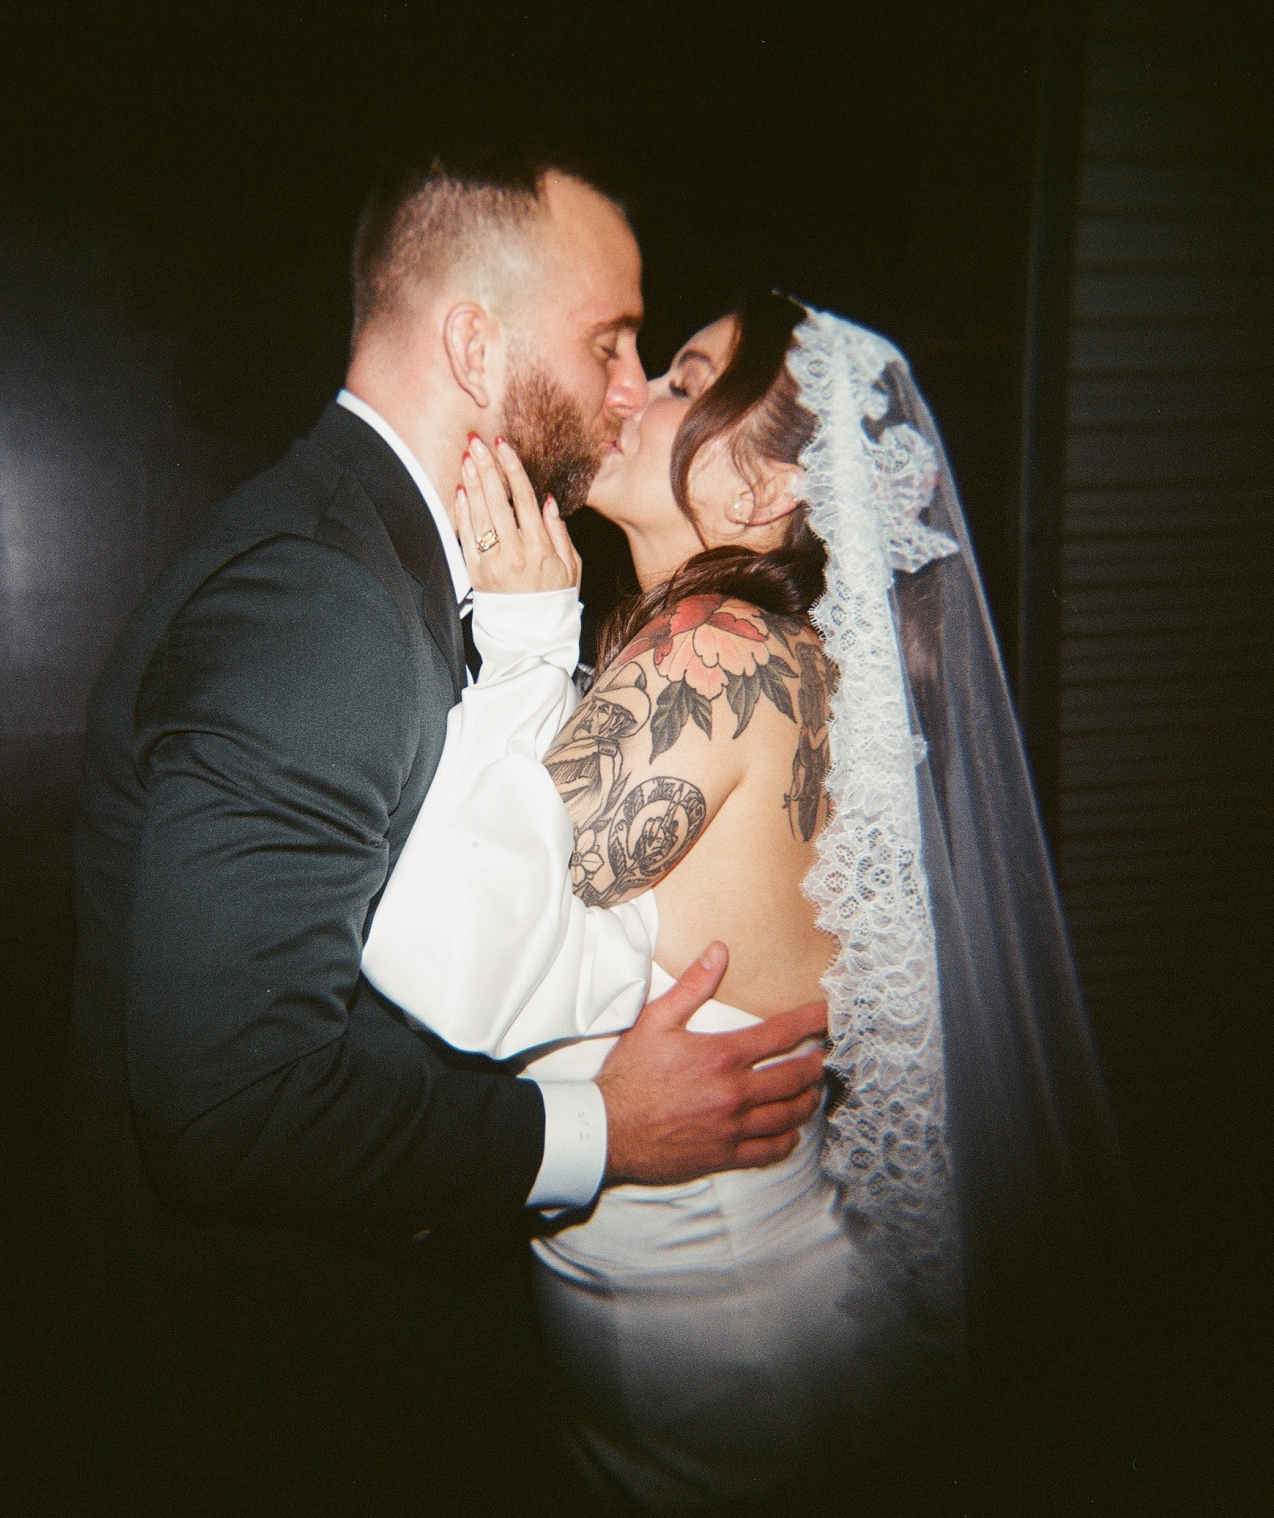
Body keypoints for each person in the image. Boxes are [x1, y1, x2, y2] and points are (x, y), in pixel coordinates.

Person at [67, 144, 830, 1509]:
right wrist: (597, 1126)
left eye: (661, 362)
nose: (629, 386)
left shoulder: (513, 582)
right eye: (612, 340)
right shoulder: (329, 598)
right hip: (293, 1363)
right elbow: (232, 1098)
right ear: (477, 343)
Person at [363, 290, 1122, 1509]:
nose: (632, 392)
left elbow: (447, 952)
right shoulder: (791, 660)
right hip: (732, 1305)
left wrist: (514, 633)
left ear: (768, 495)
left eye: (682, 380)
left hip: (716, 1353)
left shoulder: (710, 654)